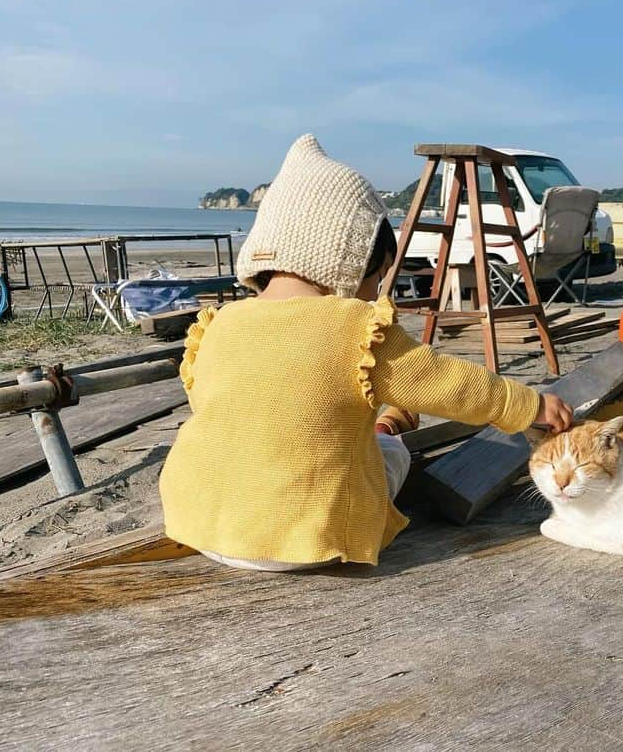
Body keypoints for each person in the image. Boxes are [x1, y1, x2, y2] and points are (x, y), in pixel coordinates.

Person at [159, 134, 572, 572]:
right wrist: (527, 404)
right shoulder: (353, 325)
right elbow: (447, 384)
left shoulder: (220, 323)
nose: (376, 292)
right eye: (377, 278)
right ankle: (386, 426)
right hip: (305, 537)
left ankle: (383, 421)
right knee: (389, 454)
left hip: (199, 522)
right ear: (350, 259)